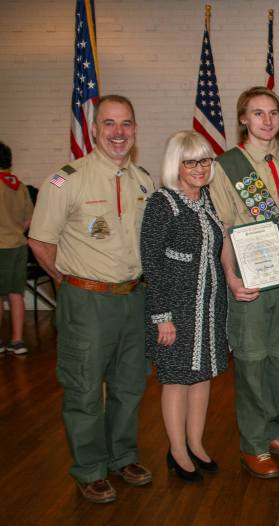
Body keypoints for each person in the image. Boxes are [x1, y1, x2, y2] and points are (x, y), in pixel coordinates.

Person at [28, 95, 155, 503]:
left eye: (126, 124)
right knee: (83, 388)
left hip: (134, 299)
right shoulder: (66, 179)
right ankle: (89, 468)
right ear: (95, 129)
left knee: (129, 385)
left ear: (135, 130)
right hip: (86, 300)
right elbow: (39, 240)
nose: (118, 132)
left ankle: (122, 457)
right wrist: (66, 281)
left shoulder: (144, 181)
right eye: (109, 124)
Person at [209, 87, 279, 479]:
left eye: (273, 113)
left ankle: (271, 429)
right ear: (243, 119)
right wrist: (230, 276)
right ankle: (252, 444)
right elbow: (225, 230)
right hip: (249, 275)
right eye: (258, 113)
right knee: (251, 359)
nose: (267, 120)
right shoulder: (227, 166)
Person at [140, 131, 229, 481]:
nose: (199, 168)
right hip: (175, 309)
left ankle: (196, 443)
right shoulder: (163, 202)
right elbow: (152, 261)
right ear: (176, 164)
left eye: (205, 160)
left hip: (208, 306)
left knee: (202, 376)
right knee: (176, 379)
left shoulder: (207, 199)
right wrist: (162, 316)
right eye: (190, 161)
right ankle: (177, 451)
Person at [0, 141, 33, 355]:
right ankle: (18, 340)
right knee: (16, 294)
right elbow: (29, 219)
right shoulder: (18, 185)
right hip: (19, 246)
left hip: (1, 247)